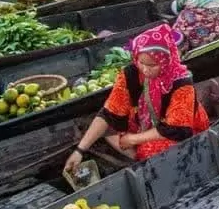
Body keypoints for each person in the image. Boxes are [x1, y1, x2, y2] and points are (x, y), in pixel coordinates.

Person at [63, 24, 209, 170]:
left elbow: (178, 129)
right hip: (144, 124)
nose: (145, 70)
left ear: (165, 62)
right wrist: (79, 151)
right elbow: (109, 112)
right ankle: (138, 156)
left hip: (178, 131)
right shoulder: (131, 74)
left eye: (152, 65)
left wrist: (133, 139)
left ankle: (141, 156)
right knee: (105, 128)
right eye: (141, 62)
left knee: (151, 150)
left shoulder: (181, 83)